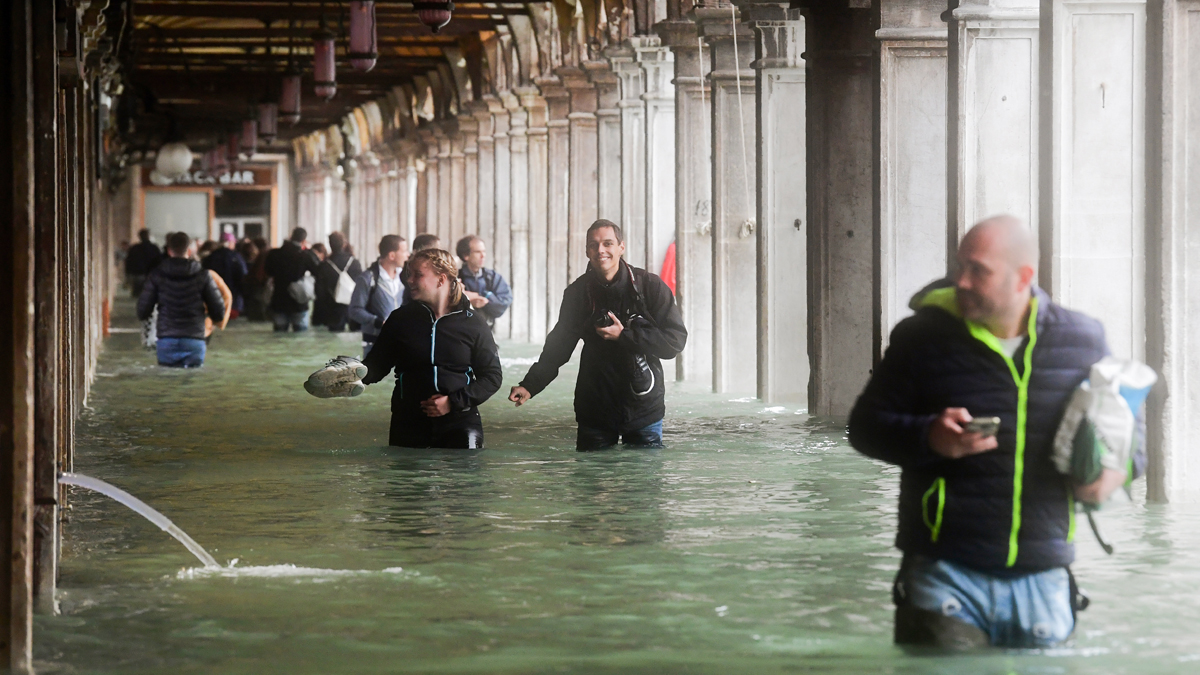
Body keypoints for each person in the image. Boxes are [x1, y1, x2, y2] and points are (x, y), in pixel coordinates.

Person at [847, 216, 1119, 650]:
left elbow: (1124, 442)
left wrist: (1107, 477)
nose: (963, 281)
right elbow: (864, 429)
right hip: (944, 575)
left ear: (1024, 277)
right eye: (960, 267)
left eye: (979, 270)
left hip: (1044, 578)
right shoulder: (920, 338)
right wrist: (929, 438)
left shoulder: (1082, 340)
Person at [509, 219, 687, 450]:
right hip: (595, 405)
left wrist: (625, 336)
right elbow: (558, 347)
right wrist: (530, 385)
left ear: (621, 247)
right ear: (586, 251)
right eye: (594, 245)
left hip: (643, 406)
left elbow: (674, 342)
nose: (600, 250)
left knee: (644, 483)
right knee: (591, 482)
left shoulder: (650, 287)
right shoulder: (577, 293)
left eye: (608, 243)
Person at [359, 248, 503, 449]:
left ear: (441, 279)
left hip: (460, 423)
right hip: (408, 422)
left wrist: (453, 402)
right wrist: (350, 376)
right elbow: (376, 366)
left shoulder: (473, 324)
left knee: (463, 479)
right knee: (408, 481)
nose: (409, 280)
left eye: (418, 275)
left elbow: (492, 377)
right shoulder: (400, 319)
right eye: (409, 274)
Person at [136, 232, 225, 368]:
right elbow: (218, 311)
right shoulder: (203, 276)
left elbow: (142, 312)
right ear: (189, 251)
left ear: (169, 251)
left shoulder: (156, 275)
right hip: (194, 339)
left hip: (167, 340)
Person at [348, 235, 409, 357]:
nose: (408, 255)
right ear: (392, 256)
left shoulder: (405, 278)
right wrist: (378, 322)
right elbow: (354, 310)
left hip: (401, 343)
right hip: (374, 344)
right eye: (404, 251)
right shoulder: (367, 279)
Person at [264, 227, 319, 332]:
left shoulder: (274, 254)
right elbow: (318, 272)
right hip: (299, 301)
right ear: (303, 241)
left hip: (279, 300)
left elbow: (268, 271)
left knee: (279, 335)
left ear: (290, 237)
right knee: (300, 336)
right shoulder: (305, 255)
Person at [456, 235, 512, 328]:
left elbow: (504, 302)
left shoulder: (492, 277)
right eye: (478, 252)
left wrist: (481, 297)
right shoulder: (456, 277)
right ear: (466, 255)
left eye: (484, 251)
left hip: (487, 331)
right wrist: (467, 301)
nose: (483, 256)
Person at [313, 231, 364, 332]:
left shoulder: (324, 265)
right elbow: (362, 286)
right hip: (353, 307)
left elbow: (320, 291)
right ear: (344, 244)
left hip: (333, 309)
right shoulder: (354, 262)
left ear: (330, 245)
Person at [202, 232, 248, 320]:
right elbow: (243, 275)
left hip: (214, 298)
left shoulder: (211, 257)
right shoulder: (236, 257)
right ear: (230, 243)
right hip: (234, 300)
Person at [125, 228, 164, 297]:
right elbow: (159, 262)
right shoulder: (154, 248)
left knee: (137, 295)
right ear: (149, 236)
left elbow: (129, 262)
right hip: (151, 275)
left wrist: (128, 275)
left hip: (138, 275)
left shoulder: (135, 248)